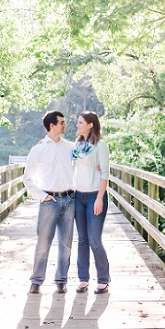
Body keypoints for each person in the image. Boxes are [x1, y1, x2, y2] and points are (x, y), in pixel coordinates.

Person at [22, 110, 76, 294]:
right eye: (62, 122)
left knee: (66, 244)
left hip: (69, 199)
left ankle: (61, 280)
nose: (65, 125)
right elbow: (27, 179)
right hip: (49, 201)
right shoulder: (38, 150)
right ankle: (36, 281)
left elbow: (89, 159)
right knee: (43, 243)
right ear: (52, 125)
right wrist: (43, 196)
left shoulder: (71, 147)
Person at [72, 111, 111, 294]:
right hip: (78, 196)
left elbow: (104, 173)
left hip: (95, 196)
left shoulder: (100, 145)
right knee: (82, 239)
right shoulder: (78, 145)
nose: (77, 125)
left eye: (80, 122)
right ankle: (83, 279)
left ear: (90, 125)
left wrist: (99, 199)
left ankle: (103, 279)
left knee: (94, 239)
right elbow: (68, 161)